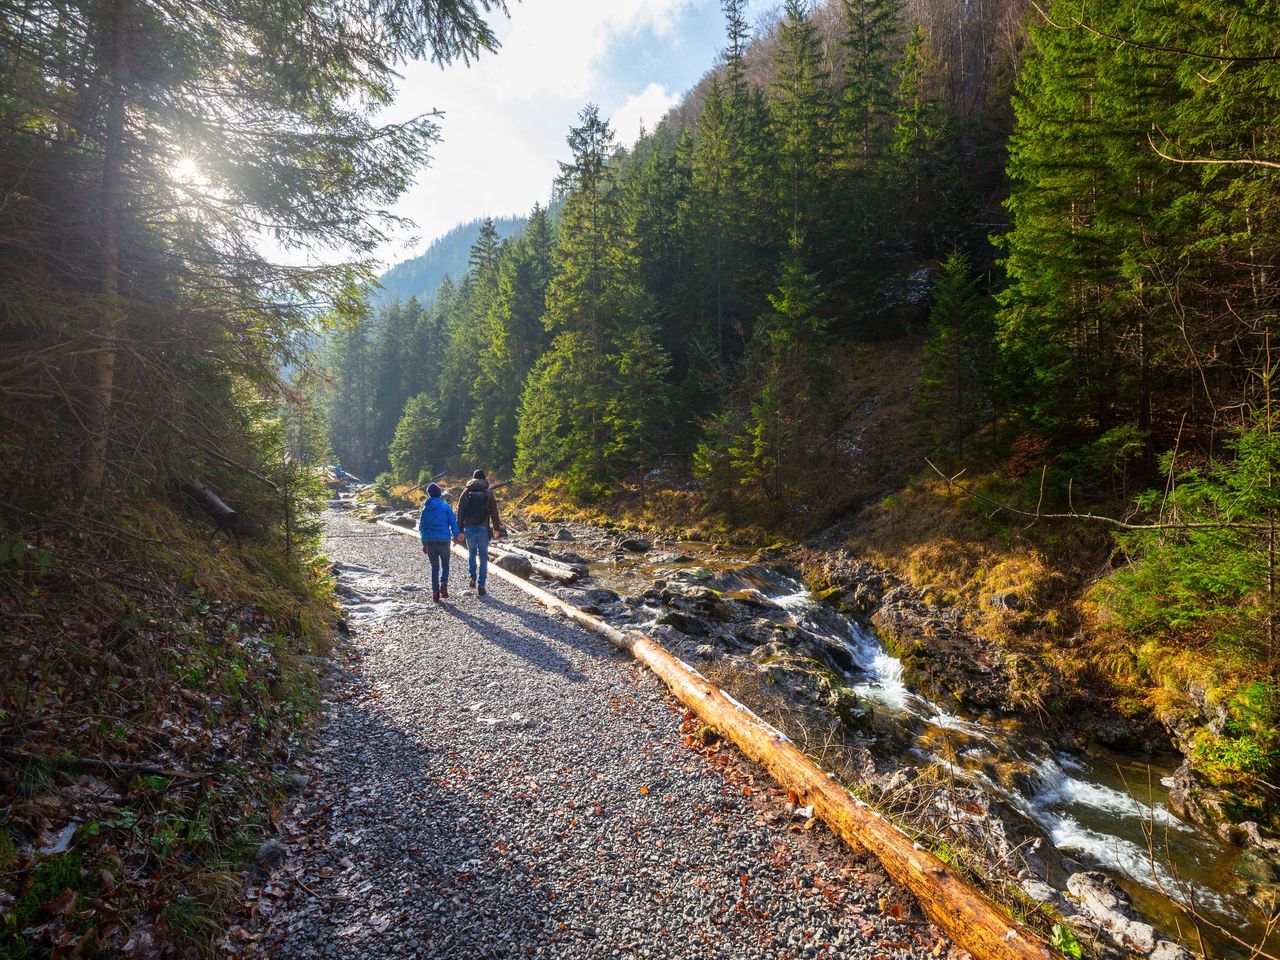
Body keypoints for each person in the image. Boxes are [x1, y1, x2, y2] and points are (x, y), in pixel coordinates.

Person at [456, 469, 505, 596]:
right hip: (483, 528)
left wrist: (459, 530)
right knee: (483, 558)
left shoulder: (466, 492)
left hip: (469, 528)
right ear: (484, 479)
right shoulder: (488, 493)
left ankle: (472, 574)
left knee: (472, 553)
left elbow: (460, 512)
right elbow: (494, 512)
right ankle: (481, 585)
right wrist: (496, 529)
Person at [417, 482, 459, 603]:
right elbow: (453, 522)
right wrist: (456, 536)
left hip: (430, 542)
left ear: (429, 494)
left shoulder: (425, 509)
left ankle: (435, 592)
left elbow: (422, 528)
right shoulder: (445, 507)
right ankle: (444, 584)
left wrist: (424, 543)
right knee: (445, 565)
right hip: (444, 541)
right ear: (440, 494)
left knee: (434, 568)